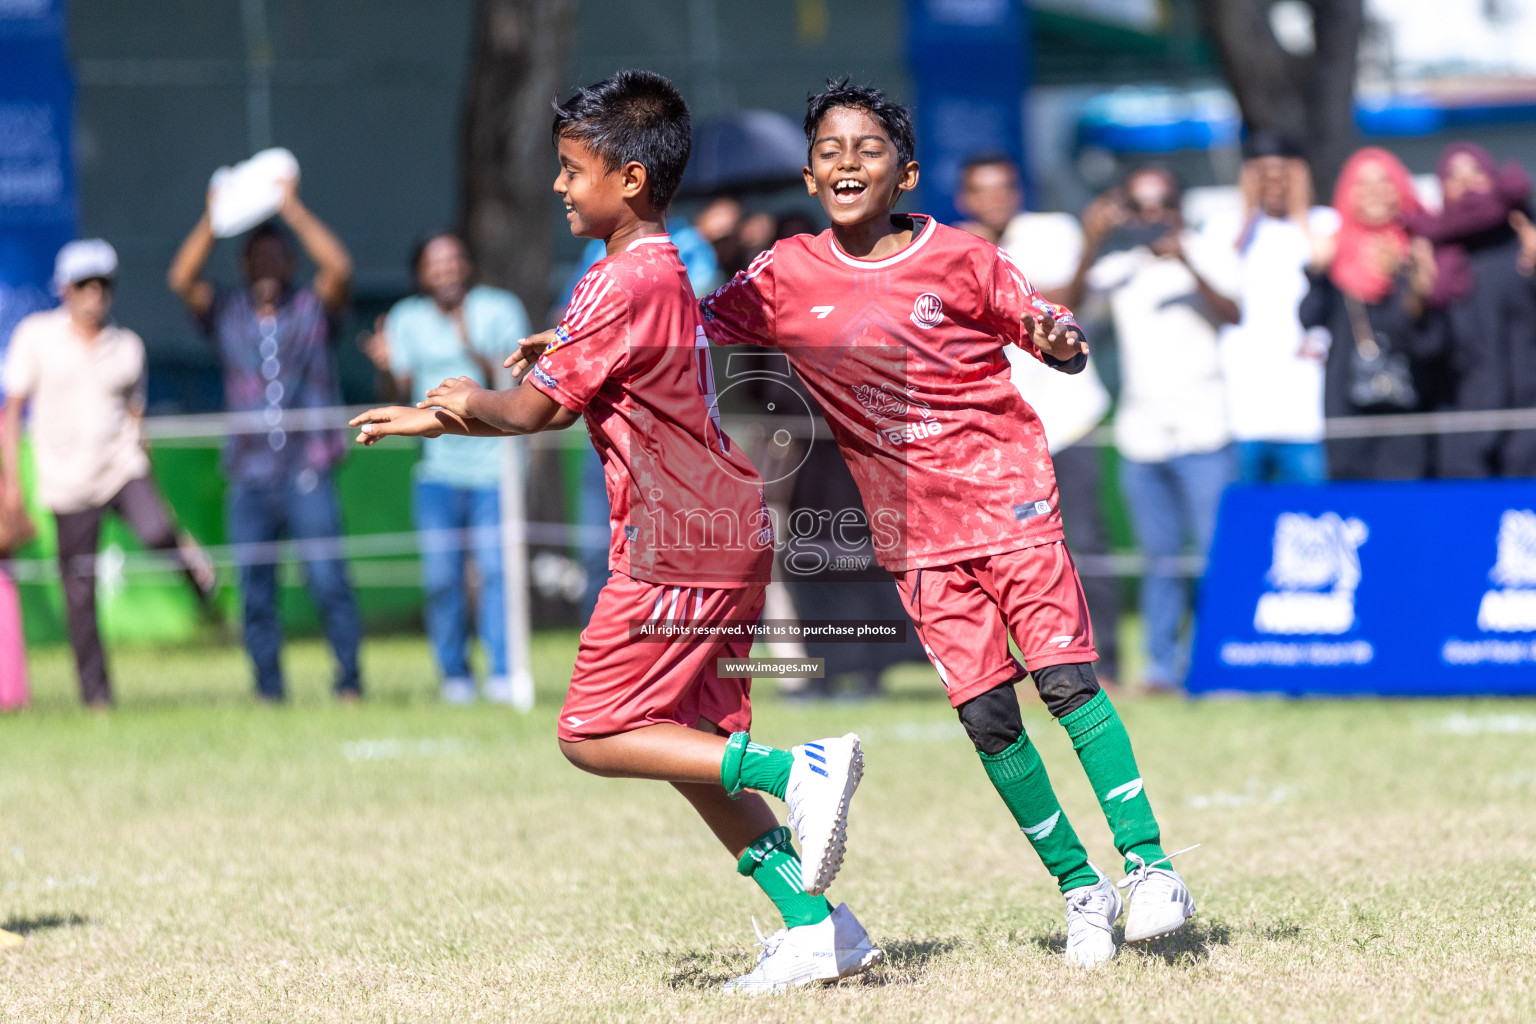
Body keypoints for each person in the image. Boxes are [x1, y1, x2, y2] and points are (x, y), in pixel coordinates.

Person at [350, 70, 881, 993]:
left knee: (593, 731)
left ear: (629, 179)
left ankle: (800, 767)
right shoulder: (658, 264)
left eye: (571, 168)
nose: (558, 186)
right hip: (720, 525)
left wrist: (465, 401)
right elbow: (578, 386)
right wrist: (441, 416)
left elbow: (532, 415)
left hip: (681, 535)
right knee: (684, 747)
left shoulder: (617, 276)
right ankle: (814, 927)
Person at [692, 79, 1195, 969]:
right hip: (915, 536)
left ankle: (1150, 867)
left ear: (908, 173)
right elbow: (685, 333)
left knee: (1067, 683)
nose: (848, 162)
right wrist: (593, 344)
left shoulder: (962, 258)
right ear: (810, 176)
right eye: (831, 151)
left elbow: (1045, 323)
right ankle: (1081, 889)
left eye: (869, 148)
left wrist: (1060, 338)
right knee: (990, 719)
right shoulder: (779, 276)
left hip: (1009, 499)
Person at [168, 178, 364, 703]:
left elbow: (339, 269)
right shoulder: (227, 311)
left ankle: (348, 682)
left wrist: (291, 208)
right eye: (259, 258)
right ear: (244, 265)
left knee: (327, 580)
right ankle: (268, 690)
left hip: (308, 468)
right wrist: (215, 216)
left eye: (279, 257)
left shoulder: (311, 308)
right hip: (249, 475)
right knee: (255, 591)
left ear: (291, 263)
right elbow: (181, 278)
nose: (269, 267)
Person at [3, 240, 216, 708]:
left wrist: (160, 495)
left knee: (158, 531)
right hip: (68, 483)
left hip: (121, 468)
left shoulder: (128, 347)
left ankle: (191, 569)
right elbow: (12, 411)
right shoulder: (35, 337)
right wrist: (11, 486)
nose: (94, 293)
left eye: (103, 283)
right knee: (79, 596)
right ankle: (96, 699)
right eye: (84, 284)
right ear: (64, 289)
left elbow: (137, 427)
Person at [1063, 166, 1236, 694]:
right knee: (1158, 559)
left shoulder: (1210, 252)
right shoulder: (1121, 268)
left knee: (1212, 556)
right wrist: (1092, 243)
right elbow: (1065, 309)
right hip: (1142, 434)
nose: (1152, 216)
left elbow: (1233, 311)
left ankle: (1217, 661)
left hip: (1206, 431)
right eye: (1141, 207)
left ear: (1180, 208)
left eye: (1162, 204)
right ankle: (1162, 666)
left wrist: (1186, 260)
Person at [955, 151, 1121, 686]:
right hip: (1000, 434)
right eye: (984, 189)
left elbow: (1058, 313)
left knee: (1088, 546)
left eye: (1005, 186)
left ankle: (1109, 661)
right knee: (1010, 559)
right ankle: (1028, 670)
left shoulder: (1052, 232)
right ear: (966, 198)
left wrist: (1090, 246)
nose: (996, 198)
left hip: (1068, 419)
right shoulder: (953, 250)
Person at [360, 233, 527, 704]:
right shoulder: (405, 319)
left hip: (497, 468)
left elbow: (522, 387)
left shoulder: (500, 309)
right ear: (421, 273)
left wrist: (473, 351)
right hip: (438, 471)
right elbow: (400, 388)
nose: (446, 270)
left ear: (467, 265)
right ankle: (454, 676)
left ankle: (503, 673)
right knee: (441, 576)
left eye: (454, 259)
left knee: (497, 572)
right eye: (435, 263)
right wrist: (387, 366)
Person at [1301, 147, 1441, 481]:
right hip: (1348, 405)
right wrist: (1318, 271)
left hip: (1411, 406)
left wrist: (1404, 279)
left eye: (1385, 182)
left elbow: (1428, 338)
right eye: (1362, 184)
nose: (1374, 192)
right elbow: (1309, 319)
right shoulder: (1333, 250)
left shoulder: (1422, 248)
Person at [1208, 132, 1339, 484]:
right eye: (1261, 172)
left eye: (1283, 172)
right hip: (1243, 405)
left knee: (1311, 520)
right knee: (1246, 522)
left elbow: (1324, 261)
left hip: (1306, 406)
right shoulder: (1225, 228)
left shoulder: (1325, 223)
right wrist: (1248, 211)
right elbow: (1219, 281)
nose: (1273, 182)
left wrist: (1299, 209)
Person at [1409, 143, 1536, 478]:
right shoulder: (1433, 255)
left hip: (1528, 420)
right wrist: (1421, 296)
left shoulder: (1523, 239)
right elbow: (1428, 348)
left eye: (1475, 172)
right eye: (1453, 176)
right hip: (1464, 421)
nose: (1465, 183)